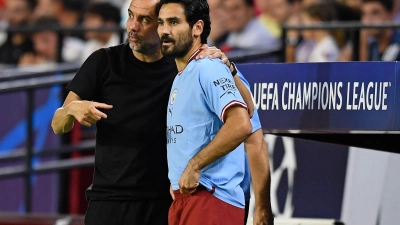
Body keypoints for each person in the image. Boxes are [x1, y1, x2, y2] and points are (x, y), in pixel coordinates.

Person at [51, 0, 253, 224]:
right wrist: (70, 110)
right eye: (130, 16)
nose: (132, 26)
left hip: (165, 202)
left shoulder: (184, 67)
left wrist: (230, 69)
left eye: (145, 20)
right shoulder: (104, 61)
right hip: (109, 202)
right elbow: (58, 125)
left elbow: (247, 114)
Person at [157, 0, 273, 224]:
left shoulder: (210, 67)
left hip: (211, 197)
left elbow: (246, 129)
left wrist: (262, 206)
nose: (165, 30)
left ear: (197, 28)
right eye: (161, 23)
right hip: (187, 198)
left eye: (174, 22)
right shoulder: (185, 74)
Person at [0, 0, 36, 65]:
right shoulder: (3, 43)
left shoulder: (37, 46)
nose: (11, 17)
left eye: (17, 11)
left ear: (30, 12)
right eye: (9, 11)